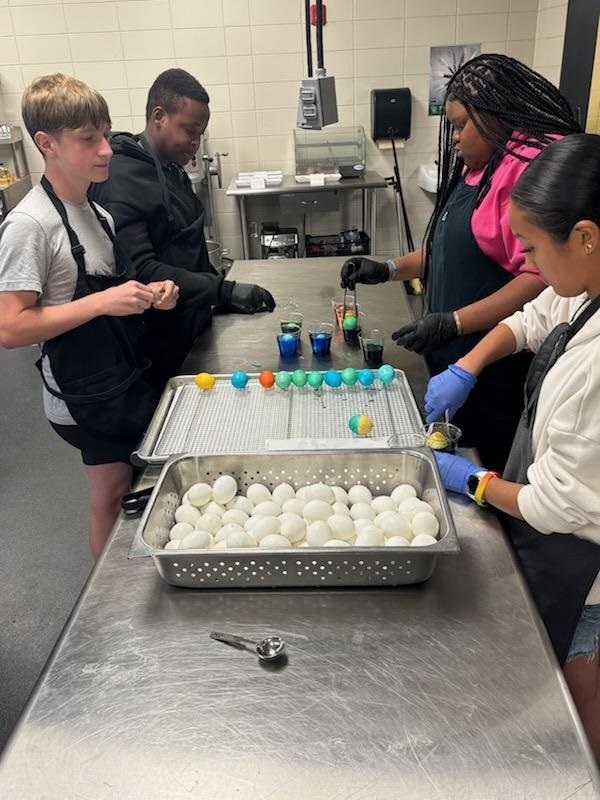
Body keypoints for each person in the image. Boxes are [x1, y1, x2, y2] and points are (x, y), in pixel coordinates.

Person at [425, 133, 600, 761]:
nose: (527, 265)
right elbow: (533, 317)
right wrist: (468, 365)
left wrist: (470, 479)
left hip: (583, 568)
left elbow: (556, 504)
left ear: (584, 237)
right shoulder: (586, 288)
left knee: (580, 712)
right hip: (562, 535)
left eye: (531, 248)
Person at [340, 54, 582, 471]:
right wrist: (388, 269)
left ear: (493, 116)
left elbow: (537, 279)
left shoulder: (520, 173)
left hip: (492, 369)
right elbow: (450, 252)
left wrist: (454, 322)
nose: (453, 138)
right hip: (454, 357)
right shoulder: (474, 171)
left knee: (480, 467)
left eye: (460, 125)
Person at [0, 74, 180, 559]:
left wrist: (150, 295)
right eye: (88, 139)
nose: (105, 149)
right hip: (81, 392)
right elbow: (10, 327)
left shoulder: (98, 215)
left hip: (117, 376)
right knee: (111, 493)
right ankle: (107, 597)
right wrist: (101, 302)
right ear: (47, 144)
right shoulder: (30, 225)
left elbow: (108, 292)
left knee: (126, 485)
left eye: (105, 133)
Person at [90, 68, 275, 390]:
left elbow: (189, 248)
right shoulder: (121, 179)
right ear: (159, 117)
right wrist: (223, 290)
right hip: (155, 339)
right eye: (190, 130)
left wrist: (215, 295)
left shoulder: (171, 169)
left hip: (191, 322)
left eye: (200, 133)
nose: (195, 142)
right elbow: (141, 270)